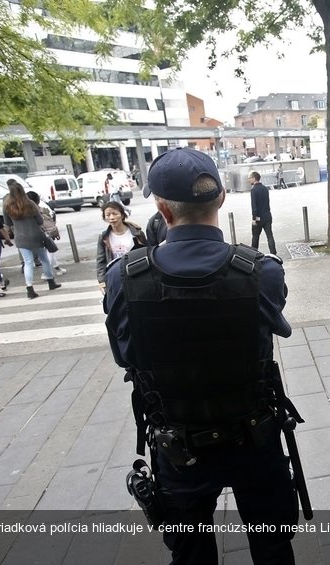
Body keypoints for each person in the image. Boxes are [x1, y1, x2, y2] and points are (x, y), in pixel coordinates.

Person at [104, 148, 297, 564]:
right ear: (222, 197)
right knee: (273, 549)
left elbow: (126, 357)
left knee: (190, 556)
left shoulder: (125, 277)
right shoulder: (261, 271)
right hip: (253, 439)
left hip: (179, 447)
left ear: (162, 210)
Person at [3, 179, 62, 299]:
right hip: (36, 235)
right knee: (44, 259)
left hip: (20, 237)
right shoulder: (30, 203)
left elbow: (7, 223)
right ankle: (51, 282)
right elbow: (40, 220)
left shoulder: (7, 205)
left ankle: (29, 288)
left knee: (28, 262)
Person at [96, 201, 146, 294]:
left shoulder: (137, 233)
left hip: (135, 275)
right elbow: (101, 262)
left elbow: (146, 254)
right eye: (108, 215)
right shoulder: (104, 237)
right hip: (114, 277)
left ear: (122, 215)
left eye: (115, 214)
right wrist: (102, 282)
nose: (112, 217)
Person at [26, 191, 66, 276]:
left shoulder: (25, 211)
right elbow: (50, 222)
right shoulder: (43, 209)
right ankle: (46, 273)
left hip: (34, 234)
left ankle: (57, 268)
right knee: (49, 252)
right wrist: (55, 232)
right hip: (46, 233)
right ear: (38, 199)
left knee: (48, 252)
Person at [249, 170, 278, 255]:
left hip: (258, 217)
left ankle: (253, 254)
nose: (249, 180)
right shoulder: (265, 189)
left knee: (255, 236)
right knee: (270, 236)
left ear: (254, 178)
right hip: (267, 216)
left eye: (250, 178)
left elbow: (254, 207)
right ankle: (273, 253)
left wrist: (254, 219)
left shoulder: (254, 190)